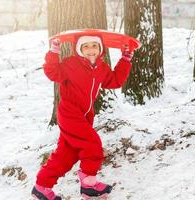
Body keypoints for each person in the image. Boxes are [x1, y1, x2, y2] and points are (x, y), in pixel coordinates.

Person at [31, 35, 134, 200]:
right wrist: (53, 52)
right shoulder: (71, 64)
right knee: (92, 144)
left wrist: (125, 60)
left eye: (95, 45)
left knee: (67, 154)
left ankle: (42, 187)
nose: (91, 50)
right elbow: (52, 72)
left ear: (100, 49)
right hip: (69, 113)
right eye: (86, 46)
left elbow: (115, 81)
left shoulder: (101, 67)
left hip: (85, 116)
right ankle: (88, 184)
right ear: (79, 49)